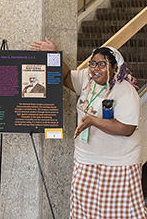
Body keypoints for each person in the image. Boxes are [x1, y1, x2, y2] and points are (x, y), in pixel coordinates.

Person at [31, 38, 146, 218]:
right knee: (84, 208)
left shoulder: (125, 90)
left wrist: (93, 121)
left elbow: (127, 128)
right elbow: (67, 77)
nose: (95, 68)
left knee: (116, 211)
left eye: (102, 64)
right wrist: (55, 54)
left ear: (115, 67)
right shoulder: (87, 78)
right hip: (86, 157)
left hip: (119, 161)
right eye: (93, 63)